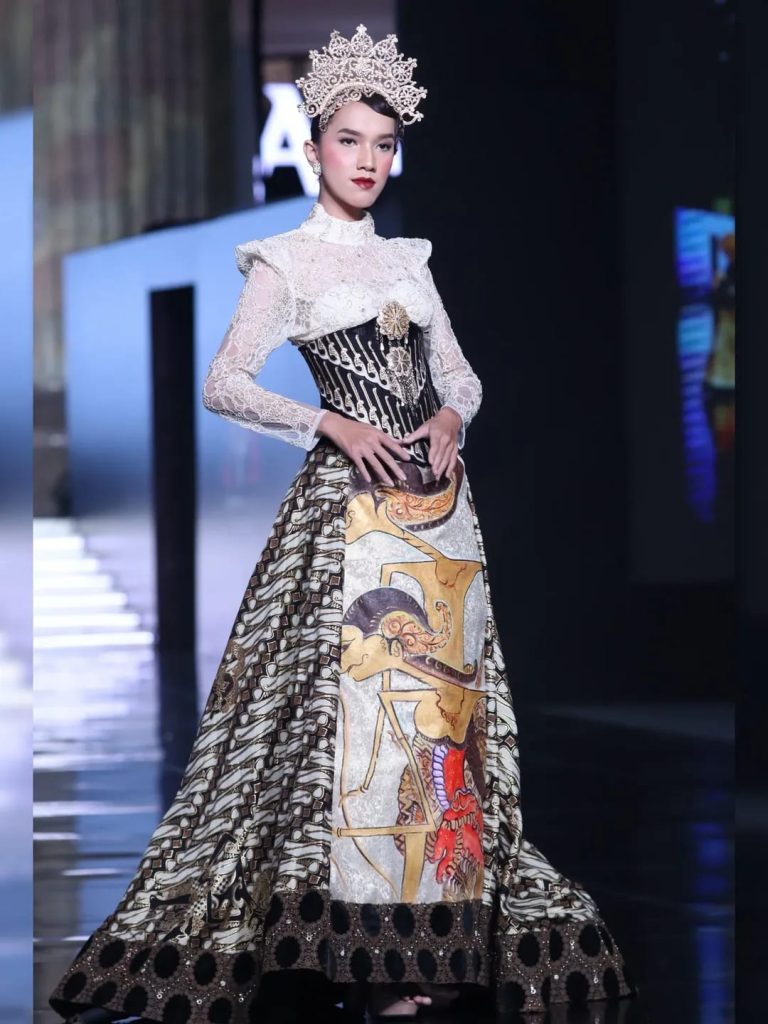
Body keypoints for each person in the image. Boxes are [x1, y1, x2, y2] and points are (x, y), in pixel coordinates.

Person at [49, 24, 637, 1023]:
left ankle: (426, 944)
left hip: (438, 521)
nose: (368, 160)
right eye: (350, 140)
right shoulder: (284, 262)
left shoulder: (407, 259)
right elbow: (224, 381)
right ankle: (358, 955)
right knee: (352, 737)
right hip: (348, 518)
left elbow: (460, 374)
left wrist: (450, 418)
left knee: (437, 733)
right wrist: (329, 421)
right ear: (315, 144)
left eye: (384, 144)